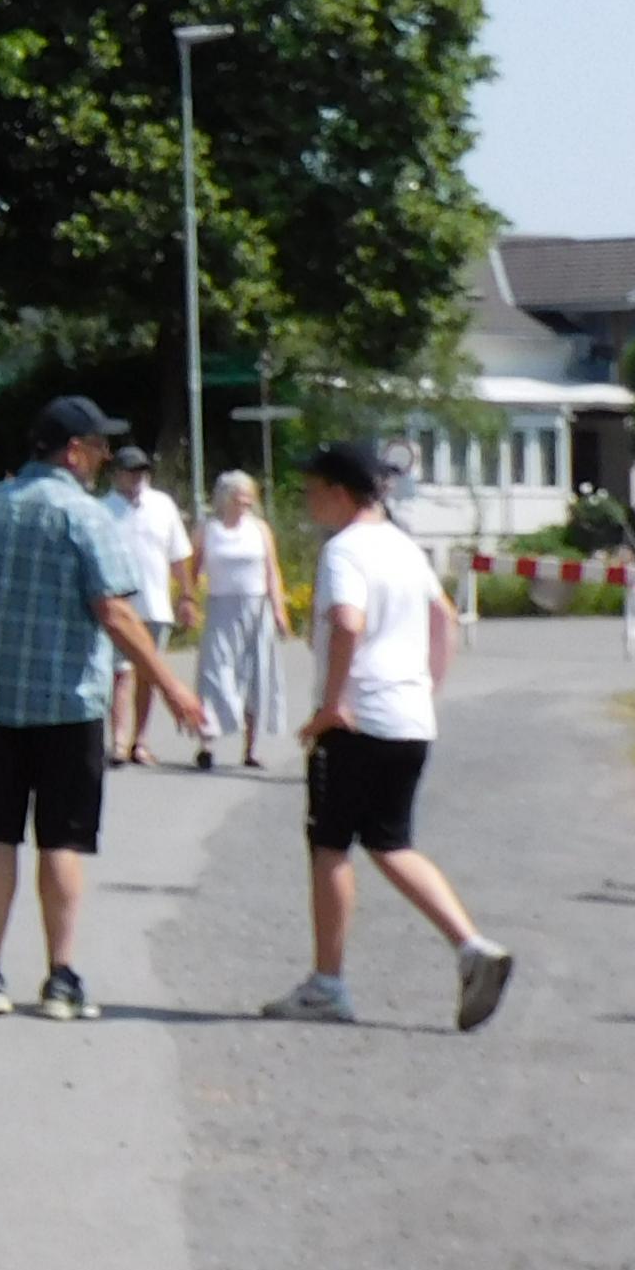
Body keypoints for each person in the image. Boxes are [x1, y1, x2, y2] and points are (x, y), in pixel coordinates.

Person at [0, 395, 205, 1020]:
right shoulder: (85, 517)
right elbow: (114, 611)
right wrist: (169, 684)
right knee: (61, 840)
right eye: (100, 447)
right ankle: (60, 977)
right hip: (68, 703)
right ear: (74, 451)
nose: (105, 458)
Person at [261, 438, 513, 1029]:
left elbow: (347, 624)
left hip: (358, 719)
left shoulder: (343, 551)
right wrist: (427, 689)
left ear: (339, 492)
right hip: (407, 719)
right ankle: (472, 947)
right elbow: (442, 619)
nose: (307, 501)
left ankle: (327, 984)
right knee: (391, 842)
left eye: (313, 489)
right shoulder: (403, 547)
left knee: (330, 846)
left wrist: (331, 705)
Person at [104, 447, 195, 767]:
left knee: (148, 675)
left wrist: (186, 596)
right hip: (117, 606)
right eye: (131, 471)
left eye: (142, 471)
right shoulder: (102, 510)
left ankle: (139, 741)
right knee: (120, 674)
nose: (137, 477)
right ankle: (118, 741)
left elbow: (178, 555)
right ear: (116, 474)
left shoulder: (162, 505)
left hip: (155, 605)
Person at [192, 469, 285, 770]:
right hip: (221, 608)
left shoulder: (259, 529)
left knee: (256, 674)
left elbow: (272, 570)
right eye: (240, 496)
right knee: (214, 673)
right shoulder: (208, 529)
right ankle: (207, 742)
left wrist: (279, 609)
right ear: (225, 498)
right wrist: (188, 601)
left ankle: (251, 749)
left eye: (249, 497)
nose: (246, 502)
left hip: (256, 607)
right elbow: (193, 568)